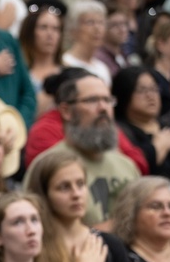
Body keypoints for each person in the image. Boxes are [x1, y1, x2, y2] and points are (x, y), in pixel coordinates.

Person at [27, 73, 142, 225]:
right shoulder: (46, 165)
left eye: (107, 100)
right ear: (66, 111)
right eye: (92, 100)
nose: (103, 108)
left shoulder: (127, 165)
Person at [114, 65, 170, 179]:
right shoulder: (120, 133)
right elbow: (129, 170)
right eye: (142, 90)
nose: (151, 95)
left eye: (154, 88)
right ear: (125, 93)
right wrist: (155, 149)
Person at [19, 2, 64, 120]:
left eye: (56, 29)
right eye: (43, 27)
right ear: (30, 32)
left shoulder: (68, 72)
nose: (50, 34)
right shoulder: (20, 73)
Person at [61, 0, 112, 85]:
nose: (97, 28)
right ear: (74, 29)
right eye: (90, 22)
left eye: (101, 22)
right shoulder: (64, 63)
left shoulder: (103, 68)